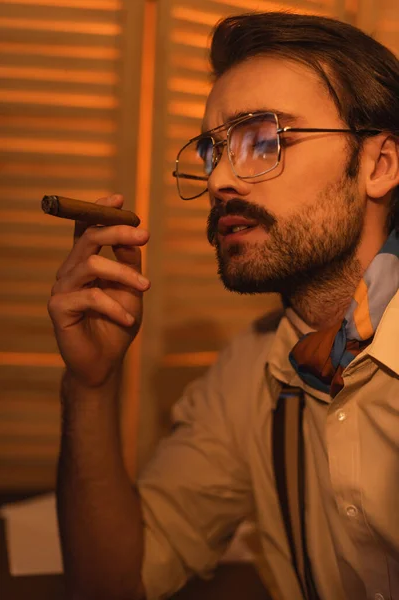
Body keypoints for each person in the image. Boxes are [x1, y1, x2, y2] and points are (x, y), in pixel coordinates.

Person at [47, 11, 399, 600]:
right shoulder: (250, 374)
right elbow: (116, 582)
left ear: (379, 165)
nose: (219, 182)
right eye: (213, 151)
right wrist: (90, 385)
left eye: (264, 141)